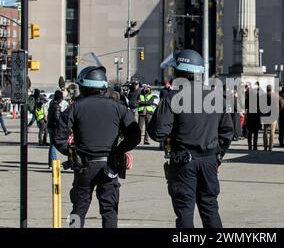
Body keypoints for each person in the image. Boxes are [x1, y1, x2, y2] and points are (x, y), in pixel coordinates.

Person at [148, 49, 234, 228]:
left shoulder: (172, 97)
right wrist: (218, 157)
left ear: (178, 72)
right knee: (210, 208)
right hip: (209, 160)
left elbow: (157, 132)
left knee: (185, 211)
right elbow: (227, 132)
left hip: (183, 162)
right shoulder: (216, 96)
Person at [54, 66, 141, 228]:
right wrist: (119, 150)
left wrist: (73, 153)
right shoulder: (119, 108)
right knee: (109, 210)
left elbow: (59, 139)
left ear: (83, 87)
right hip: (110, 166)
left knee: (78, 209)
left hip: (84, 166)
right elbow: (135, 135)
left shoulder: (75, 108)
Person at [47, 90, 64, 168]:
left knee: (52, 145)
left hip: (50, 126)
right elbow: (57, 118)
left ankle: (51, 162)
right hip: (54, 127)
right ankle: (52, 163)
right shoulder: (56, 106)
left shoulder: (51, 103)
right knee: (53, 145)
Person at [246, 83, 261, 151]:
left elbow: (245, 106)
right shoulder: (258, 98)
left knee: (250, 132)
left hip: (250, 115)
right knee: (255, 132)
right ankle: (255, 146)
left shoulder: (248, 98)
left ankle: (249, 146)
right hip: (256, 116)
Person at [262, 85, 277, 151]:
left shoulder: (263, 96)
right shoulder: (275, 96)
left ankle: (265, 147)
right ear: (271, 89)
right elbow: (282, 102)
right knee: (272, 132)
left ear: (266, 89)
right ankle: (270, 147)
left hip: (265, 114)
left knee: (265, 131)